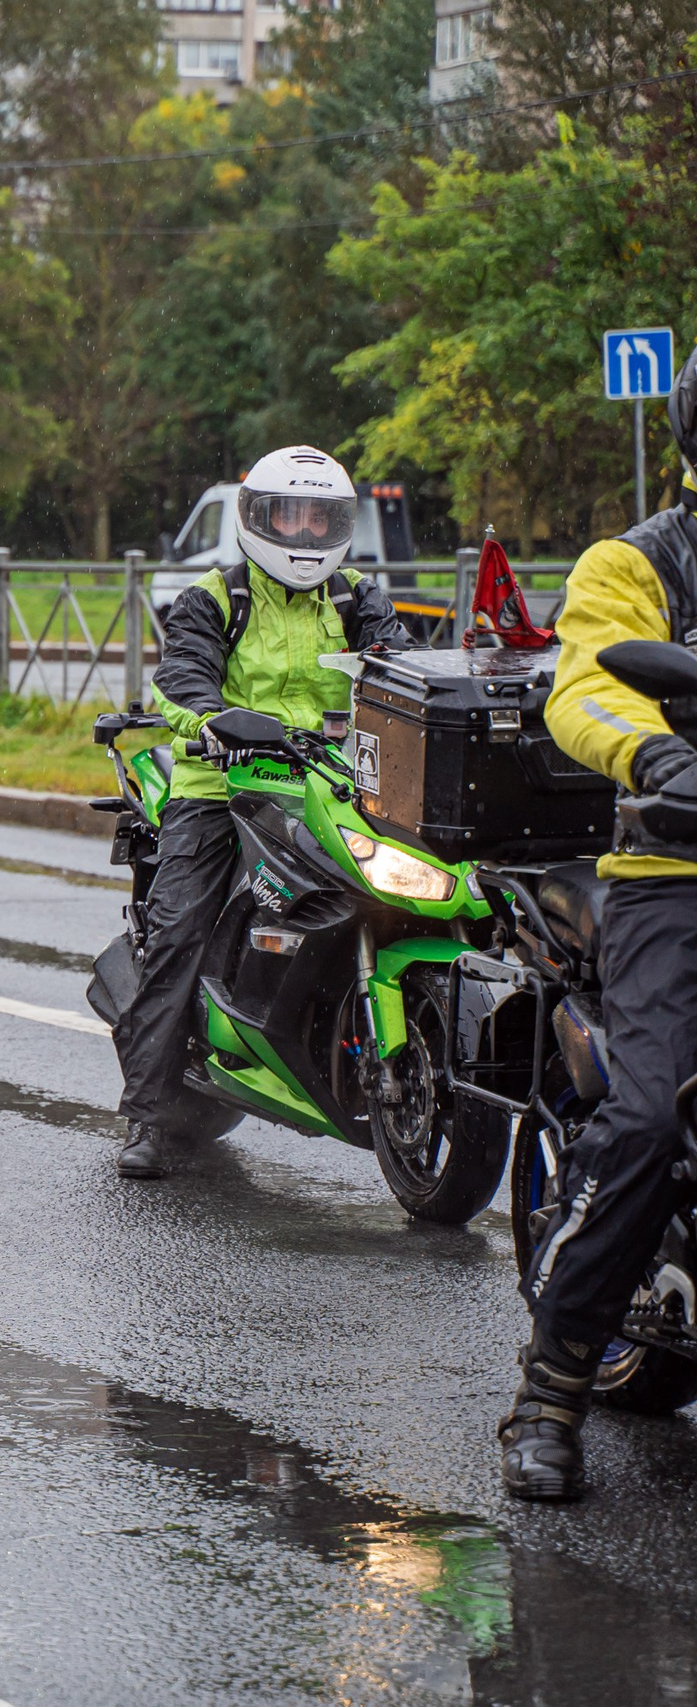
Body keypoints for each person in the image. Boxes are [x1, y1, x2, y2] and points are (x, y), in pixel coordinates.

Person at [500, 353, 697, 1501]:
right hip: (673, 869)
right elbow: (583, 685)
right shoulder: (635, 563)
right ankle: (550, 1388)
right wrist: (655, 747)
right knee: (646, 1116)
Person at [113, 445, 409, 1180]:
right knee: (179, 930)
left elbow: (402, 669)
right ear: (257, 516)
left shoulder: (356, 598)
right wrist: (213, 720)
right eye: (290, 514)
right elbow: (181, 683)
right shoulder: (214, 598)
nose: (305, 533)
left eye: (321, 518)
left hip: (332, 782)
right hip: (223, 785)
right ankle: (145, 1116)